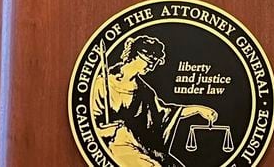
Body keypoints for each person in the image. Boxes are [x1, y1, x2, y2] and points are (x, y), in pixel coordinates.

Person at [91, 35, 217, 166]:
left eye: (155, 63)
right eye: (150, 61)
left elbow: (166, 113)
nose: (151, 67)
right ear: (137, 55)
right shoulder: (103, 84)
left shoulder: (144, 91)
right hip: (117, 149)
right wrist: (109, 131)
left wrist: (198, 109)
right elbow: (89, 128)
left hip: (142, 147)